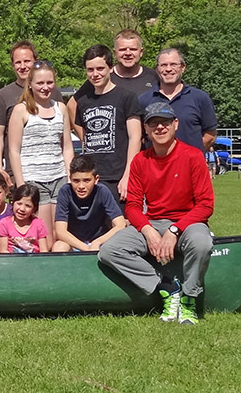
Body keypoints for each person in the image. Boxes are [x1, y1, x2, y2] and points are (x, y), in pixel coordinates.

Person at [98, 102, 215, 325]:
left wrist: (174, 230)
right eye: (154, 124)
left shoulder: (193, 156)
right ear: (146, 129)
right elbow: (132, 206)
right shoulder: (140, 160)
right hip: (152, 221)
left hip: (187, 221)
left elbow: (206, 205)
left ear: (175, 125)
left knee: (202, 243)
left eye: (165, 123)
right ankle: (167, 288)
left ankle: (189, 299)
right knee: (110, 250)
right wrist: (148, 231)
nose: (160, 128)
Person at [8, 61, 74, 243]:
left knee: (61, 231)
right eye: (40, 83)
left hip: (59, 177)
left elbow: (67, 146)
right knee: (45, 235)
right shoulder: (21, 110)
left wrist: (69, 177)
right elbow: (14, 150)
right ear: (30, 84)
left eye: (50, 83)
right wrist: (21, 184)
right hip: (34, 180)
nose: (45, 88)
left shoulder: (61, 108)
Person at [73, 45, 143, 206]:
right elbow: (85, 136)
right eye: (90, 70)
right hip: (91, 178)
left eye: (100, 68)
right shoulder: (83, 102)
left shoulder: (127, 97)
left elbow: (135, 137)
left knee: (121, 226)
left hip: (117, 177)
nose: (95, 74)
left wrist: (128, 175)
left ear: (110, 68)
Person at [0, 41, 64, 185]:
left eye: (27, 61)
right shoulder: (5, 94)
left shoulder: (52, 91)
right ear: (13, 65)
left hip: (53, 170)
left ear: (35, 62)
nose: (23, 66)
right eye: (18, 62)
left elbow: (62, 132)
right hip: (17, 170)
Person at [67, 30, 159, 123]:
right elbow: (72, 105)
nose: (128, 53)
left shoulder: (154, 77)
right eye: (122, 49)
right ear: (115, 53)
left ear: (141, 52)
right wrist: (85, 135)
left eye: (133, 49)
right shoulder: (102, 77)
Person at [139, 48, 218, 152]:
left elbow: (210, 135)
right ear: (157, 69)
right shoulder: (143, 100)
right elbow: (140, 137)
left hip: (190, 165)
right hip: (156, 165)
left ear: (183, 68)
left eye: (173, 64)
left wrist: (190, 156)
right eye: (163, 65)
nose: (168, 69)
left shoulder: (200, 98)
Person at [51, 156, 126, 252]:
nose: (81, 186)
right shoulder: (65, 192)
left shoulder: (102, 191)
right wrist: (87, 248)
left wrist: (98, 242)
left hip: (99, 241)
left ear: (96, 179)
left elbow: (121, 224)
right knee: (59, 247)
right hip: (74, 242)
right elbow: (60, 231)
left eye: (87, 180)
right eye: (76, 181)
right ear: (70, 179)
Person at [0, 184, 49, 254]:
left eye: (28, 206)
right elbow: (3, 251)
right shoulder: (4, 223)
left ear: (34, 209)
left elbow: (44, 251)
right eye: (19, 204)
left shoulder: (39, 224)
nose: (22, 209)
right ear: (13, 203)